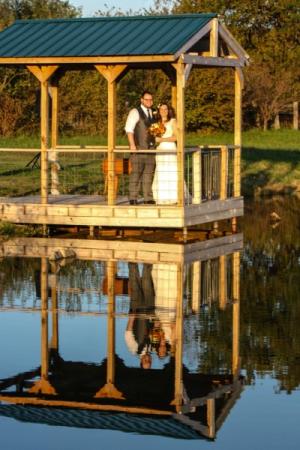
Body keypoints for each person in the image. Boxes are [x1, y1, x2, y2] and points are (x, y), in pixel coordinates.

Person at [125, 91, 156, 205]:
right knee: (136, 173)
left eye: (151, 100)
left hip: (151, 149)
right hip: (138, 148)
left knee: (148, 173)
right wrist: (132, 145)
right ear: (142, 100)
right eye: (147, 99)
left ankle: (148, 198)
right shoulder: (135, 112)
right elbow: (129, 129)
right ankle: (133, 197)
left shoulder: (152, 113)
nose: (149, 101)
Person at [151, 103, 178, 205]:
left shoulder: (173, 121)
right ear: (159, 111)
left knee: (171, 171)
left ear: (169, 110)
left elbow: (176, 137)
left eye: (165, 109)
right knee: (161, 171)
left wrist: (162, 139)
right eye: (161, 109)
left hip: (170, 148)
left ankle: (173, 196)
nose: (163, 111)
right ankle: (161, 197)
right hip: (160, 149)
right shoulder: (156, 123)